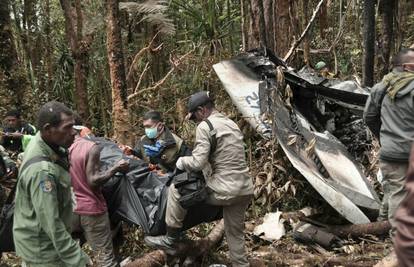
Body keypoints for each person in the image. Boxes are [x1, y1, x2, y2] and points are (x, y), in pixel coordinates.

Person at [145, 91, 254, 267]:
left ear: (202, 110)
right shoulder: (230, 123)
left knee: (176, 190)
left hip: (225, 189)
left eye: (194, 116)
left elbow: (197, 162)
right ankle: (241, 264)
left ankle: (170, 239)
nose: (195, 121)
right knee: (235, 234)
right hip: (245, 189)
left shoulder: (205, 126)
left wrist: (181, 161)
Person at [13, 101, 90, 267]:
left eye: (74, 127)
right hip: (43, 250)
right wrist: (79, 259)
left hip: (38, 239)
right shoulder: (42, 172)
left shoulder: (43, 142)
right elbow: (51, 224)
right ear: (48, 129)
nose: (73, 133)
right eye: (67, 127)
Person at [363, 48, 414, 230]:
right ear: (407, 66)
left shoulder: (381, 87)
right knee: (401, 197)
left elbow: (369, 117)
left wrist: (384, 137)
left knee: (393, 191)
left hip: (390, 152)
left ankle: (381, 227)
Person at [70, 125, 129, 267]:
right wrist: (115, 168)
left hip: (71, 209)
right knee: (106, 259)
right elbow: (93, 180)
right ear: (79, 130)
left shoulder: (61, 148)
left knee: (71, 254)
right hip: (91, 209)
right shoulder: (90, 147)